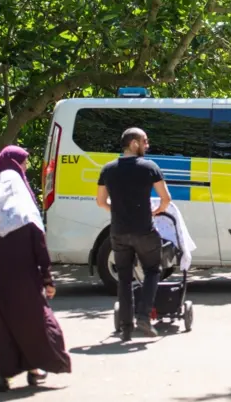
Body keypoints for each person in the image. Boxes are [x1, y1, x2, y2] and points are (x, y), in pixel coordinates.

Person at [0, 147, 71, 393]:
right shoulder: (26, 213)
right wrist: (48, 279)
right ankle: (34, 369)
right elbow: (40, 248)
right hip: (25, 279)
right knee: (34, 322)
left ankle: (5, 377)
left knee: (1, 325)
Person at [96, 128, 172, 341]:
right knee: (152, 270)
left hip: (118, 233)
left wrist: (119, 210)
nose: (147, 145)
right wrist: (155, 211)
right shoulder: (149, 167)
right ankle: (144, 317)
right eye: (144, 141)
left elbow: (101, 202)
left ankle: (125, 327)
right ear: (133, 144)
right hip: (144, 231)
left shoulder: (108, 169)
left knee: (124, 278)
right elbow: (166, 198)